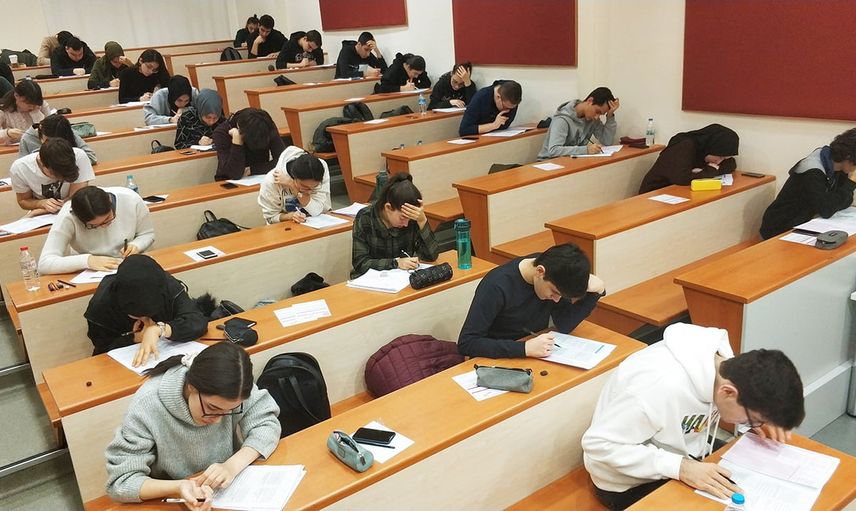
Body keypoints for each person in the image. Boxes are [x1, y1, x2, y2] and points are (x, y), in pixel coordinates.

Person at [582, 323, 805, 510]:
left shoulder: (727, 368)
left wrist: (762, 417)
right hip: (628, 481)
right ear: (728, 392)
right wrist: (681, 468)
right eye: (751, 419)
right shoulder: (656, 387)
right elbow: (598, 444)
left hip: (687, 454)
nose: (752, 424)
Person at [104, 341, 281, 506]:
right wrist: (178, 487)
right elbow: (121, 482)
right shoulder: (147, 405)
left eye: (231, 410)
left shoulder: (235, 386)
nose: (218, 419)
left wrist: (232, 466)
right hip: (171, 500)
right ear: (192, 387)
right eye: (212, 408)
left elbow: (267, 423)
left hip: (227, 490)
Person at [457, 243, 605, 358]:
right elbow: (467, 343)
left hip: (533, 353)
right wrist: (525, 348)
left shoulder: (558, 272)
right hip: (496, 359)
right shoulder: (497, 285)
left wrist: (595, 294)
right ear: (540, 271)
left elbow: (564, 324)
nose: (556, 300)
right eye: (554, 292)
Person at [85, 255, 208, 360]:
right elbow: (102, 348)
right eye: (138, 316)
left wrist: (159, 329)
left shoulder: (167, 285)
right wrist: (134, 338)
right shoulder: (101, 304)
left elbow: (196, 320)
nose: (146, 321)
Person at [760, 128, 856, 239]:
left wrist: (838, 198)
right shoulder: (812, 171)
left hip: (806, 223)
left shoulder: (838, 167)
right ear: (849, 157)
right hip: (781, 227)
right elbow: (826, 209)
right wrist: (851, 182)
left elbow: (844, 201)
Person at [39, 185, 155, 275]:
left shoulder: (131, 199)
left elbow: (147, 233)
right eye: (93, 226)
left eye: (108, 219)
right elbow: (45, 263)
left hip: (130, 266)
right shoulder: (68, 215)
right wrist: (88, 261)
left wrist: (137, 245)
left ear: (110, 202)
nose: (104, 226)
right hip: (90, 272)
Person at [350, 173, 439, 278]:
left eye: (409, 219)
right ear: (388, 207)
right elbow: (360, 263)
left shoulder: (412, 217)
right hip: (370, 280)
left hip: (402, 278)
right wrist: (395, 263)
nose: (406, 224)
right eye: (402, 218)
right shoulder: (365, 217)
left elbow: (431, 256)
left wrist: (422, 221)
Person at [638, 124, 739, 194]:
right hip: (655, 193)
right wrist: (709, 172)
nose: (719, 162)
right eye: (720, 157)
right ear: (712, 147)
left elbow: (731, 164)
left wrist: (706, 172)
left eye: (724, 158)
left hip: (679, 192)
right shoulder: (685, 145)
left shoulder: (707, 149)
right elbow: (681, 178)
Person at [10, 137, 94, 215]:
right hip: (42, 215)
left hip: (71, 209)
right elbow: (23, 201)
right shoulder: (20, 168)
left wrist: (63, 204)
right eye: (55, 175)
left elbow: (76, 197)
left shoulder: (79, 156)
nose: (60, 179)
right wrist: (41, 203)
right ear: (42, 163)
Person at [537, 87, 620, 159]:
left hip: (571, 161)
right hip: (549, 162)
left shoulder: (592, 119)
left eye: (601, 114)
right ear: (590, 101)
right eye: (597, 111)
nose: (596, 117)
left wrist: (610, 116)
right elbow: (553, 150)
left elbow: (607, 141)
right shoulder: (562, 120)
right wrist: (586, 150)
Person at [258, 147, 331, 224]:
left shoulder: (320, 167)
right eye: (305, 187)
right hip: (286, 227)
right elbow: (271, 218)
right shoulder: (271, 181)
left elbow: (316, 211)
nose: (309, 191)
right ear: (294, 177)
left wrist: (293, 187)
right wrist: (290, 216)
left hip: (321, 222)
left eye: (315, 186)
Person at [212, 108, 285, 181]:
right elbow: (234, 174)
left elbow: (283, 161)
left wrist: (253, 169)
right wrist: (237, 142)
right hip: (228, 181)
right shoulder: (221, 133)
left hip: (259, 177)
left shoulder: (265, 124)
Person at [19, 113, 97, 164]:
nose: (54, 144)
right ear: (41, 128)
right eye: (48, 140)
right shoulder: (27, 139)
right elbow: (22, 166)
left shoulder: (67, 132)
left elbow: (91, 157)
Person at [0, 79, 53, 145]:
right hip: (14, 148)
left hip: (39, 146)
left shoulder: (40, 105)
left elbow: (51, 130)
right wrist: (7, 133)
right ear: (16, 96)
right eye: (29, 105)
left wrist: (36, 115)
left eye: (34, 105)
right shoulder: (4, 109)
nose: (32, 108)